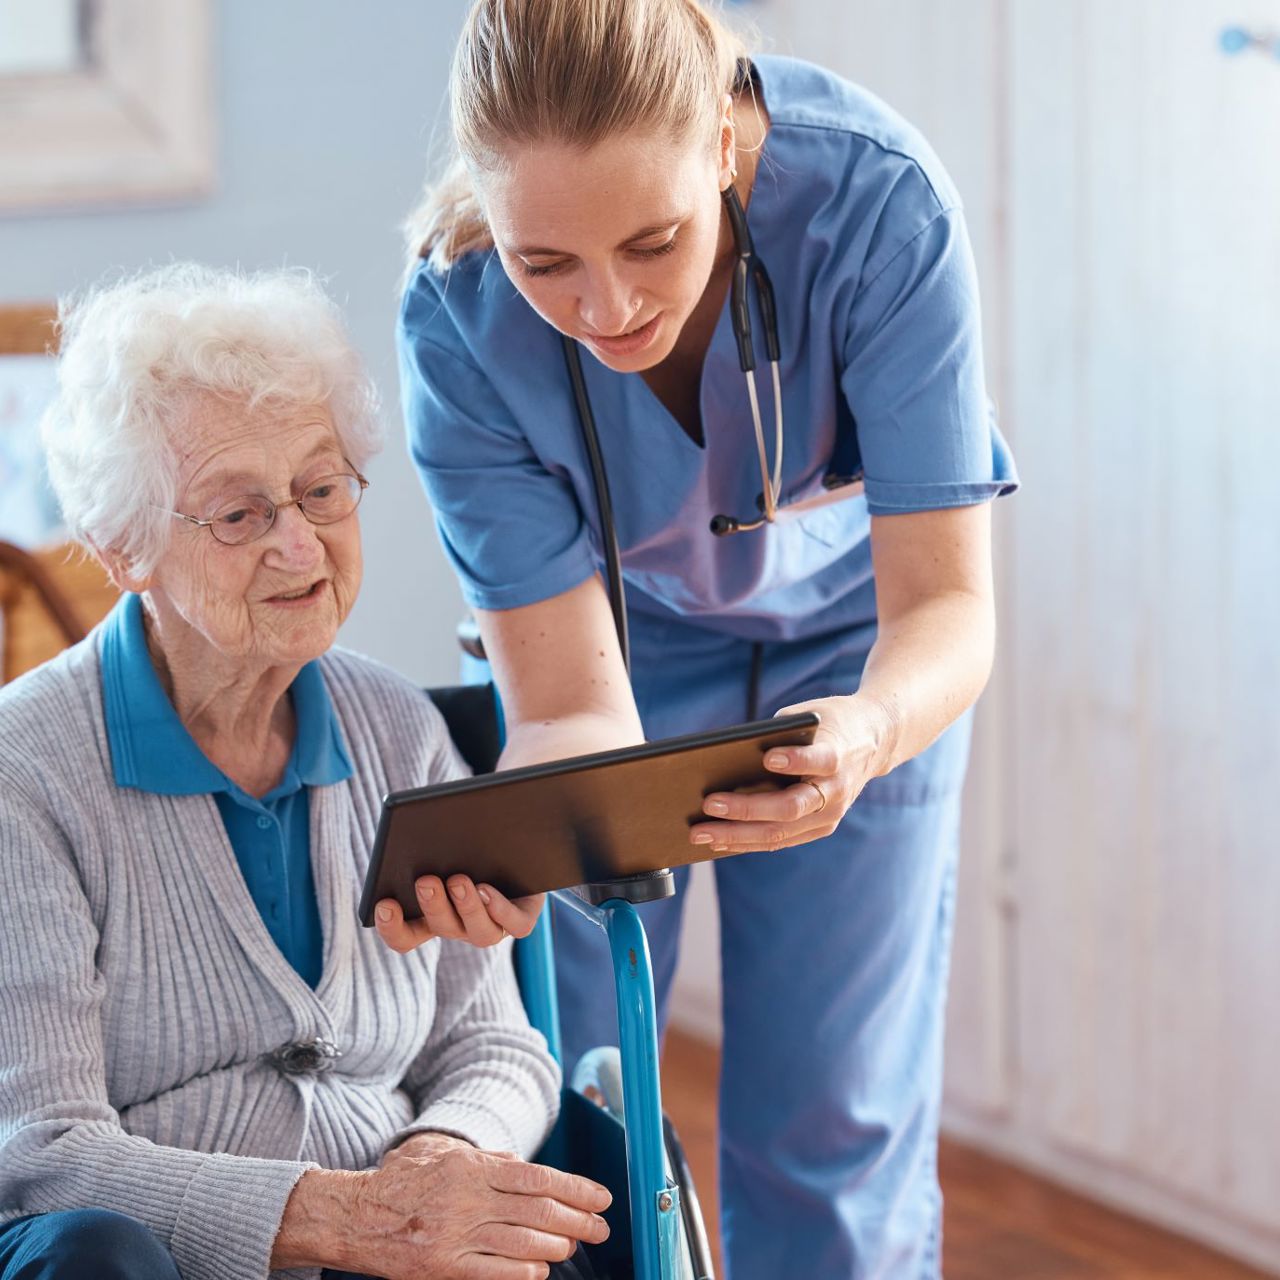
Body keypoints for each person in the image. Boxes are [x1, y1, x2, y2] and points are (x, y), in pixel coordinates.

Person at [390, 2, 1020, 1276]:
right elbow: (566, 701)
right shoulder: (455, 315)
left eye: (653, 240)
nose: (604, 305)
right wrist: (562, 837)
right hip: (604, 661)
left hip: (853, 662)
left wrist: (868, 731)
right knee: (574, 1102)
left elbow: (946, 608)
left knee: (834, 1114)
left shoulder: (877, 205)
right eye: (543, 262)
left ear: (726, 139)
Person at [0, 264, 610, 1280]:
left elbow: (496, 1048)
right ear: (122, 546)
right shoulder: (26, 772)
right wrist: (344, 1217)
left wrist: (437, 1163)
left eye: (321, 489)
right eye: (237, 514)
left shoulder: (399, 731)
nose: (300, 543)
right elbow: (46, 1156)